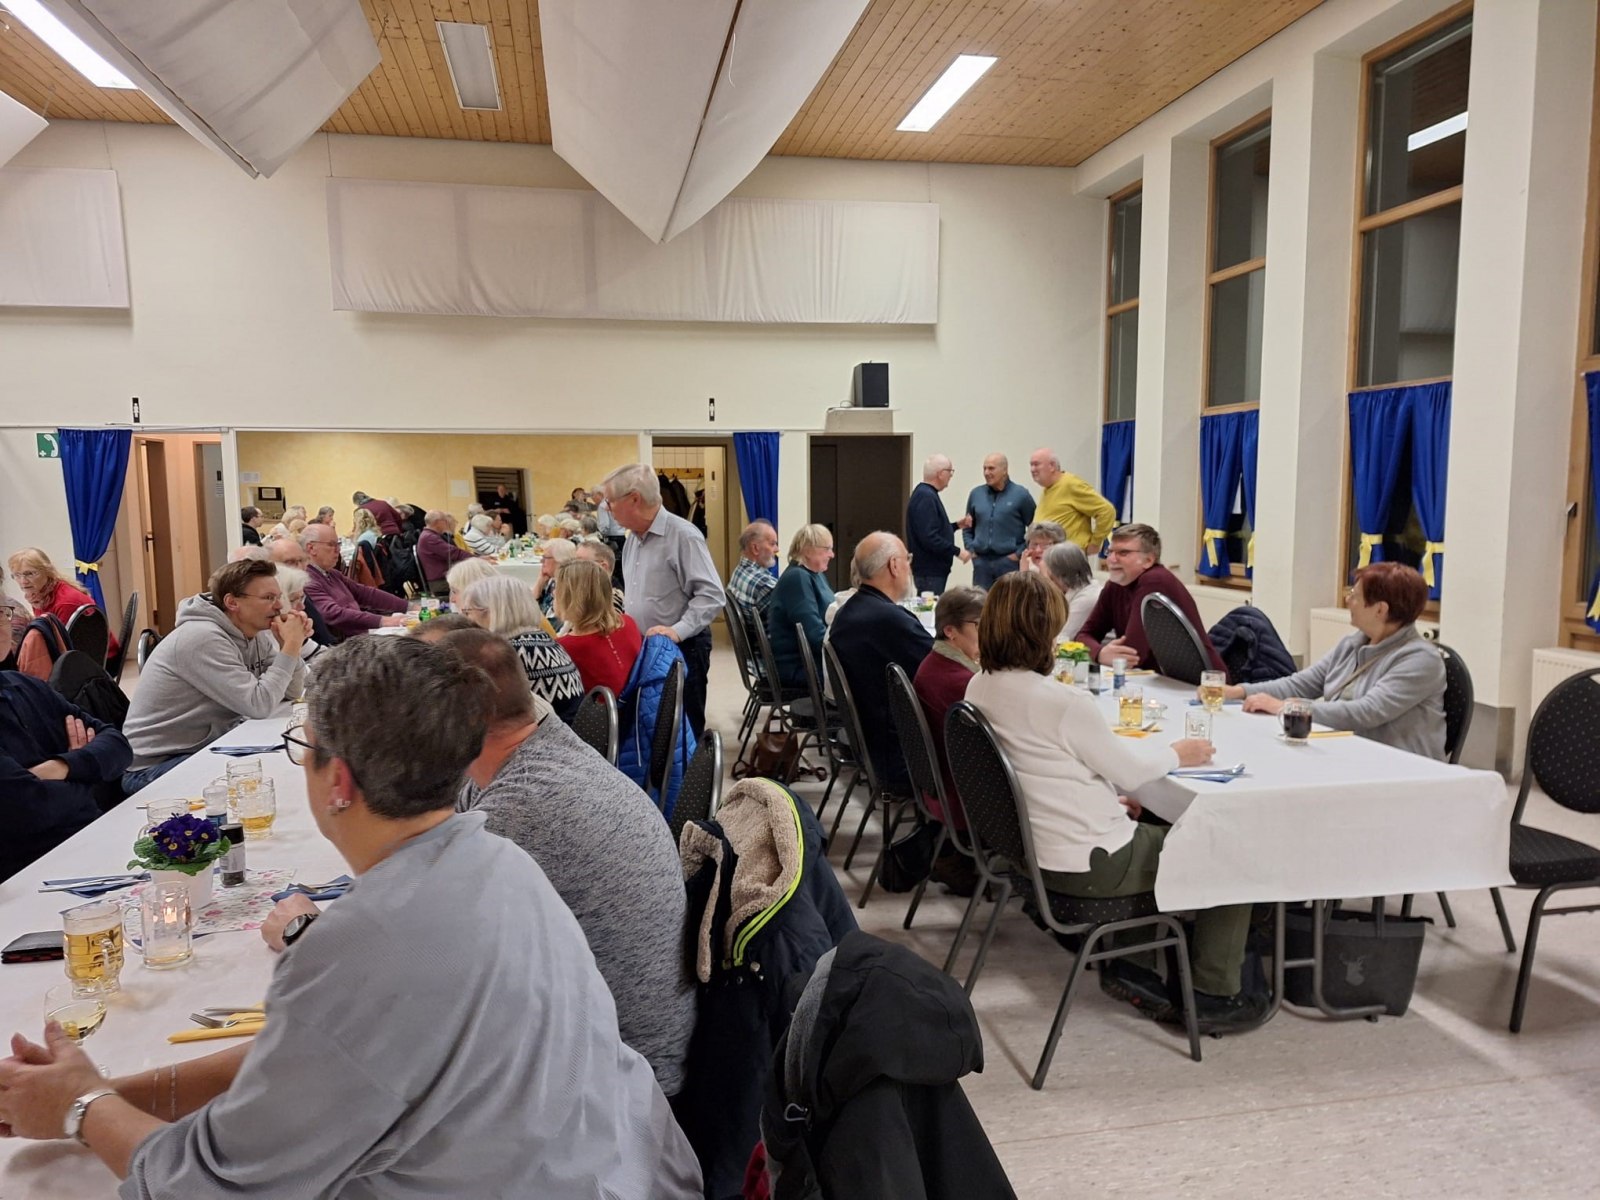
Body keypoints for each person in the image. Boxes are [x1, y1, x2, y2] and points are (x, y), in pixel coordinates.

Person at [0, 635, 702, 1196]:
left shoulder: (369, 944)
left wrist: (80, 1111)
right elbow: (309, 1061)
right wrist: (110, 1090)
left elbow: (204, 1185)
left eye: (303, 747)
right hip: (617, 1159)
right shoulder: (497, 861)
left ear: (339, 780)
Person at [963, 573, 1261, 1033]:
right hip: (1088, 867)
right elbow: (1132, 772)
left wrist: (1104, 799)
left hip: (1032, 856)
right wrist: (1179, 753)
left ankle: (1132, 963)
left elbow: (1043, 768)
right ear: (1044, 629)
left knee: (1148, 826)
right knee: (1229, 849)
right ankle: (1214, 993)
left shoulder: (979, 686)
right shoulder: (1062, 702)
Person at [443, 627, 694, 1094]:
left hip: (621, 1089)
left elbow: (431, 959)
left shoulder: (520, 811)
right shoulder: (544, 746)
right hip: (627, 1051)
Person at [1223, 562, 1446, 759]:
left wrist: (1286, 708)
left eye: (1355, 596)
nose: (1348, 600)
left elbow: (1366, 712)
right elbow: (1300, 684)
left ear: (1380, 609)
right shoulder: (1352, 644)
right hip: (1346, 752)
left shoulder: (1421, 660)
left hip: (1397, 767)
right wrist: (1239, 692)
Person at [121, 560, 309, 793]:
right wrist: (291, 645)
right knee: (261, 783)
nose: (279, 606)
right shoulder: (202, 638)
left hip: (205, 746)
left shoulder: (254, 631)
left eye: (278, 597)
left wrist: (287, 647)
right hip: (154, 766)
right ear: (232, 602)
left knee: (284, 767)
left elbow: (292, 692)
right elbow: (259, 705)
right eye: (268, 598)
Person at [0, 614, 132, 881]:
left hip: (92, 837)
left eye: (1, 613)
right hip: (28, 872)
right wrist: (88, 773)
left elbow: (119, 745)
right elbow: (29, 808)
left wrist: (63, 766)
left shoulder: (24, 686)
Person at [602, 463, 726, 739]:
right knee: (655, 729)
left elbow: (711, 595)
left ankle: (691, 770)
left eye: (610, 501)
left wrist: (677, 631)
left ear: (634, 499)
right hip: (646, 647)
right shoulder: (633, 538)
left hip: (682, 647)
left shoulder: (683, 535)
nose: (607, 509)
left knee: (684, 729)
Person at [828, 532, 932, 795]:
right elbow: (940, 671)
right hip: (898, 757)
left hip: (870, 746)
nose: (909, 567)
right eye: (907, 559)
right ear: (894, 565)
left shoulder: (850, 611)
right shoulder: (889, 621)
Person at [1076, 523, 1227, 673]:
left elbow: (1133, 654)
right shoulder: (1115, 585)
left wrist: (1099, 653)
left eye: (1123, 553)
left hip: (1199, 681)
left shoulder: (1155, 580)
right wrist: (1100, 653)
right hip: (1152, 679)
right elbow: (1083, 635)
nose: (1111, 559)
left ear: (1148, 561)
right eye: (1109, 552)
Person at [461, 574, 584, 723]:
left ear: (491, 612)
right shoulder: (542, 640)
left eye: (467, 612)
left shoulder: (509, 653)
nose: (464, 619)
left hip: (544, 734)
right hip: (564, 730)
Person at [912, 585, 985, 830]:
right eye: (979, 625)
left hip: (942, 788)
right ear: (951, 631)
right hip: (965, 801)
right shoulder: (960, 682)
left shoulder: (935, 662)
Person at [6, 547, 121, 664]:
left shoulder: (65, 602)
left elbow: (62, 645)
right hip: (79, 654)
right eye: (17, 575)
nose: (23, 581)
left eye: (30, 574)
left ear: (47, 571)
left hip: (99, 660)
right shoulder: (41, 594)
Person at [301, 523, 408, 639]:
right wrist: (383, 621)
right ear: (311, 548)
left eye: (338, 544)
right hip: (348, 643)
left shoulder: (331, 573)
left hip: (362, 635)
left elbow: (364, 593)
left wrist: (408, 606)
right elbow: (333, 614)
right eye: (331, 545)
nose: (338, 550)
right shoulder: (307, 580)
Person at [555, 560, 642, 695]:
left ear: (570, 598)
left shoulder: (566, 647)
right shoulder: (627, 622)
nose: (554, 593)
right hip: (636, 702)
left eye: (558, 589)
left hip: (600, 706)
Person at [767, 524, 835, 688]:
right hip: (800, 666)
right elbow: (813, 634)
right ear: (808, 550)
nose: (832, 555)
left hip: (812, 660)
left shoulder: (814, 575)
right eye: (827, 549)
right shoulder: (797, 578)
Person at [962, 453, 1036, 588]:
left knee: (1009, 599)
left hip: (1009, 563)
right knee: (980, 600)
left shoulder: (1021, 495)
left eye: (991, 468)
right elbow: (967, 527)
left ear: (1004, 470)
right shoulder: (976, 494)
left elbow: (1034, 529)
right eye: (984, 468)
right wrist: (971, 550)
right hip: (981, 565)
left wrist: (1019, 554)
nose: (986, 473)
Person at [1029, 447, 1118, 553]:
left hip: (1067, 557)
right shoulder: (1048, 488)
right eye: (1031, 465)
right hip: (1049, 557)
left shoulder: (1070, 484)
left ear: (1052, 466)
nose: (1032, 469)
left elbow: (1107, 511)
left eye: (1036, 464)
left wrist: (1095, 543)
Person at [905, 454, 971, 595]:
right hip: (930, 571)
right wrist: (957, 551)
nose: (951, 475)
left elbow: (932, 530)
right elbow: (929, 537)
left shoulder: (925, 494)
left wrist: (956, 525)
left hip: (931, 571)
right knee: (930, 607)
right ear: (941, 474)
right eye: (950, 471)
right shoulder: (926, 497)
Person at [1041, 541, 1103, 641]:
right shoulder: (1073, 590)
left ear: (1060, 574)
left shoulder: (1087, 597)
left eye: (1048, 575)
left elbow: (1062, 637)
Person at [416, 510, 474, 587]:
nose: (447, 523)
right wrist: (478, 559)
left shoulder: (429, 535)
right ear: (437, 522)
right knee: (477, 582)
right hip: (441, 582)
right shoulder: (429, 538)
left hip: (443, 578)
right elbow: (453, 553)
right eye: (445, 520)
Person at [575, 539, 626, 609]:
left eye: (580, 562)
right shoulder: (582, 592)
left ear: (602, 567)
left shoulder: (613, 601)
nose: (573, 567)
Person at [537, 536, 577, 618]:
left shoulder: (568, 585)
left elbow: (557, 619)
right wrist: (539, 583)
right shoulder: (552, 580)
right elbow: (530, 606)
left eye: (545, 557)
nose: (541, 561)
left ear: (559, 560)